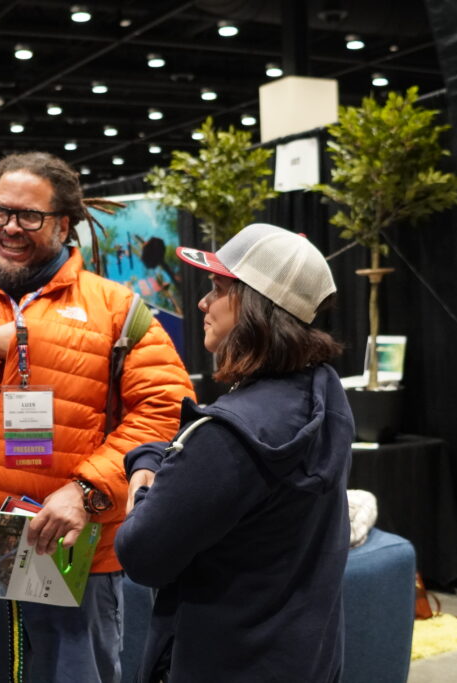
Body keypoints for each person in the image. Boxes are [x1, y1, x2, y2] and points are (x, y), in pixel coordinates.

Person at [0, 151, 195, 682]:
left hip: (67, 551)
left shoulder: (115, 308)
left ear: (64, 224)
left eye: (29, 216)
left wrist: (86, 491)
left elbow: (165, 408)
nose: (10, 228)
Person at [115, 223, 354, 682]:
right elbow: (215, 476)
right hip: (304, 661)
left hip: (220, 662)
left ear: (255, 306)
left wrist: (144, 485)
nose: (203, 302)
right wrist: (155, 457)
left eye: (218, 288)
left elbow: (141, 554)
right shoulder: (323, 394)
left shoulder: (228, 434)